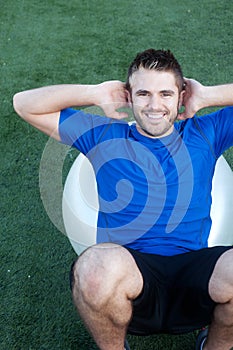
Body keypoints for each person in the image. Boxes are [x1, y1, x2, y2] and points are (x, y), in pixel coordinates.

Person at [13, 49, 233, 350]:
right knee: (92, 267)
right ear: (128, 97)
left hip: (195, 278)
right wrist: (94, 92)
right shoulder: (103, 136)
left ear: (181, 96)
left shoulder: (205, 133)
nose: (155, 105)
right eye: (143, 93)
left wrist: (207, 96)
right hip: (130, 279)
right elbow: (23, 104)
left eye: (165, 93)